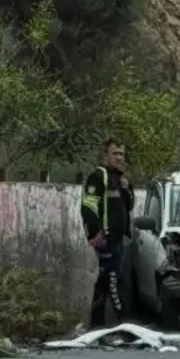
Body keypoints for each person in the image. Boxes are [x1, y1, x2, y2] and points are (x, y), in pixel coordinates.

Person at [81, 138, 135, 329]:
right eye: (115, 154)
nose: (119, 158)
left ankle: (96, 325)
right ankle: (126, 325)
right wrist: (95, 233)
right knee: (114, 282)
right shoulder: (98, 176)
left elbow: (129, 206)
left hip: (119, 239)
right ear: (105, 155)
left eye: (121, 154)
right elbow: (88, 206)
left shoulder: (120, 180)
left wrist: (127, 189)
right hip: (106, 239)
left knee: (104, 282)